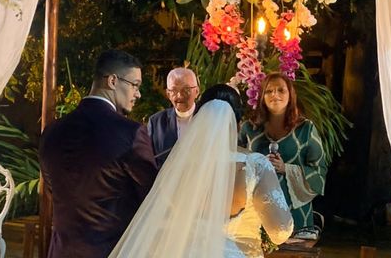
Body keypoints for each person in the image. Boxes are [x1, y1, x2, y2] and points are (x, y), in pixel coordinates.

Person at [109, 83, 294, 258]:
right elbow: (280, 231)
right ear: (237, 125)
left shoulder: (177, 167)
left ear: (200, 121)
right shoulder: (256, 165)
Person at [39, 49, 158, 258]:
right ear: (113, 81)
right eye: (135, 85)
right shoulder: (130, 132)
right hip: (111, 251)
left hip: (61, 251)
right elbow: (152, 196)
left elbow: (53, 190)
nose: (138, 94)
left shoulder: (52, 131)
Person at [239, 72, 327, 239]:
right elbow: (234, 163)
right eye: (269, 91)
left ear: (290, 95)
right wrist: (256, 166)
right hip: (254, 211)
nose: (275, 95)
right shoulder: (249, 129)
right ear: (262, 96)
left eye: (281, 90)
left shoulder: (305, 129)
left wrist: (286, 168)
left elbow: (319, 170)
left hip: (296, 214)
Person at [147, 67, 200, 166]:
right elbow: (150, 162)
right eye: (174, 91)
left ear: (196, 91)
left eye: (186, 90)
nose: (179, 95)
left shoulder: (207, 118)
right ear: (168, 94)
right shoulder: (156, 122)